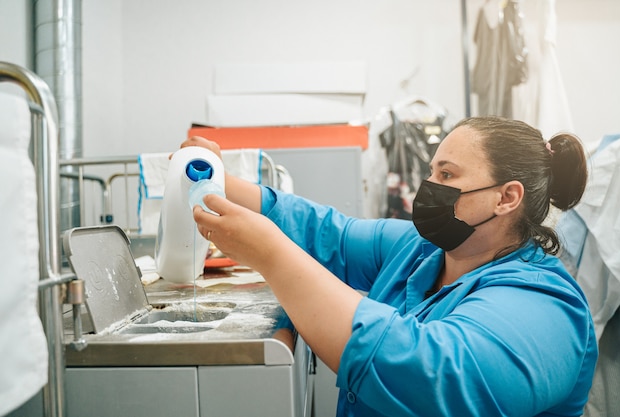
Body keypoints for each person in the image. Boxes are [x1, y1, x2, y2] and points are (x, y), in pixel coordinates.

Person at [185, 116, 598, 417]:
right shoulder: (422, 250)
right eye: (432, 171)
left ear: (506, 198)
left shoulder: (547, 307)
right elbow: (331, 235)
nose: (428, 186)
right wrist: (215, 182)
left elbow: (427, 375)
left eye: (448, 174)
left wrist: (271, 255)